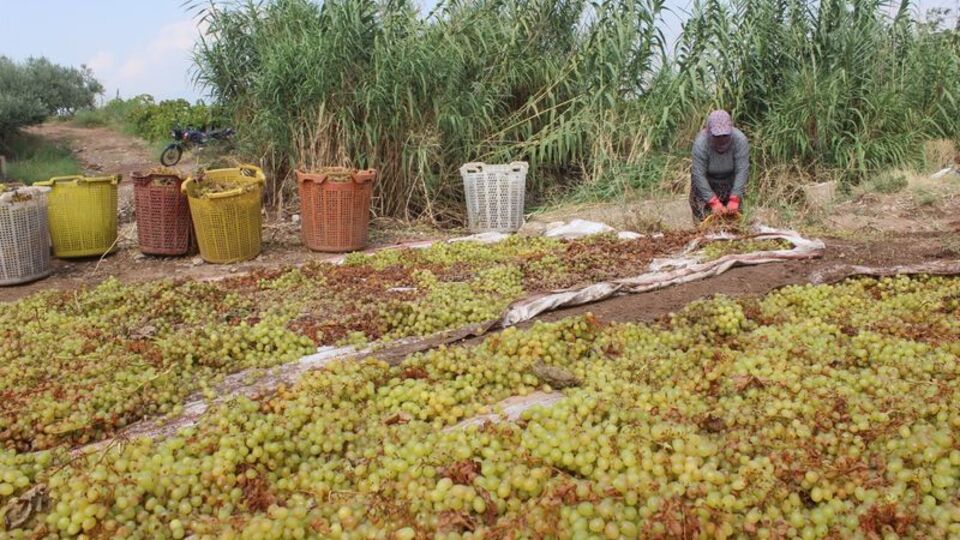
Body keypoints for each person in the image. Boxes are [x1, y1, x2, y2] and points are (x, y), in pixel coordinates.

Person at [689, 110, 749, 223]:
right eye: (717, 136)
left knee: (735, 222)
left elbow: (742, 170)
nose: (721, 140)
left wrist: (735, 198)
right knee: (703, 221)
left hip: (730, 181)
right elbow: (698, 174)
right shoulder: (700, 144)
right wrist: (713, 201)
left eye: (725, 136)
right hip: (706, 181)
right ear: (709, 132)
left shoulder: (740, 140)